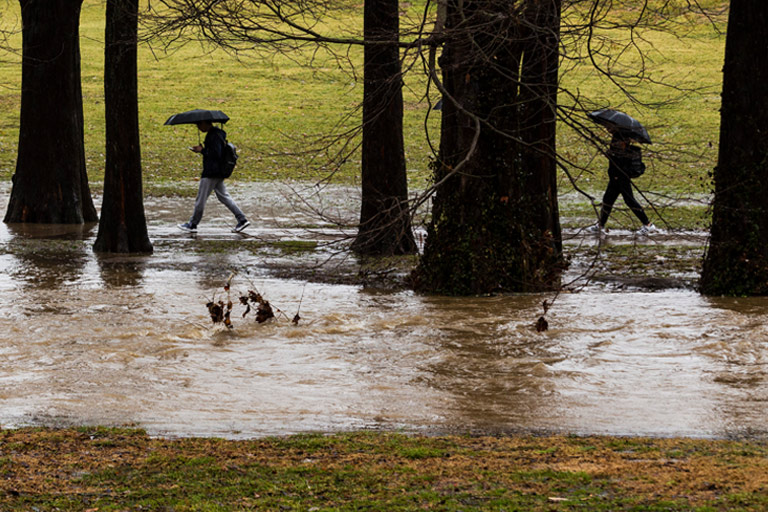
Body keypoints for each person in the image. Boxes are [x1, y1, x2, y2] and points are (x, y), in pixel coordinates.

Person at [177, 120, 250, 233]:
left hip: (211, 172)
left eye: (199, 124)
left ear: (206, 123)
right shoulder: (218, 134)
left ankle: (192, 224)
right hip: (218, 172)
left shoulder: (213, 135)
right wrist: (203, 150)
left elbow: (216, 154)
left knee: (201, 199)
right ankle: (242, 219)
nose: (198, 127)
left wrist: (202, 150)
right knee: (224, 197)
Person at [587, 133, 657, 235]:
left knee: (629, 201)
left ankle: (648, 224)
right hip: (615, 179)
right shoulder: (617, 145)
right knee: (608, 200)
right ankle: (601, 225)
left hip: (621, 179)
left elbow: (621, 166)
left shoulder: (626, 152)